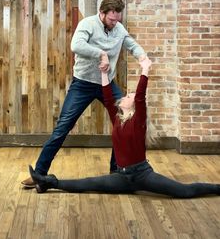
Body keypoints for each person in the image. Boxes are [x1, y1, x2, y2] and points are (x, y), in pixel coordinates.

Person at [29, 57, 220, 198]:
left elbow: (140, 96)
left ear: (134, 105)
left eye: (128, 96)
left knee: (184, 192)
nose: (125, 96)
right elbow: (107, 94)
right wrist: (104, 73)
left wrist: (145, 70)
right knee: (85, 183)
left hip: (142, 175)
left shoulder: (138, 122)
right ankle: (47, 182)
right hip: (121, 176)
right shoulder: (117, 119)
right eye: (127, 95)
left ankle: (216, 188)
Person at [22, 0, 146, 188]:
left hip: (107, 84)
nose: (115, 23)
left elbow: (130, 44)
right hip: (83, 84)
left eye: (117, 20)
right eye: (112, 20)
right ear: (102, 13)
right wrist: (101, 53)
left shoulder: (118, 28)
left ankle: (117, 171)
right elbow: (76, 45)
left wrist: (143, 56)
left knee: (124, 123)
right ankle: (39, 173)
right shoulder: (87, 24)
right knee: (63, 126)